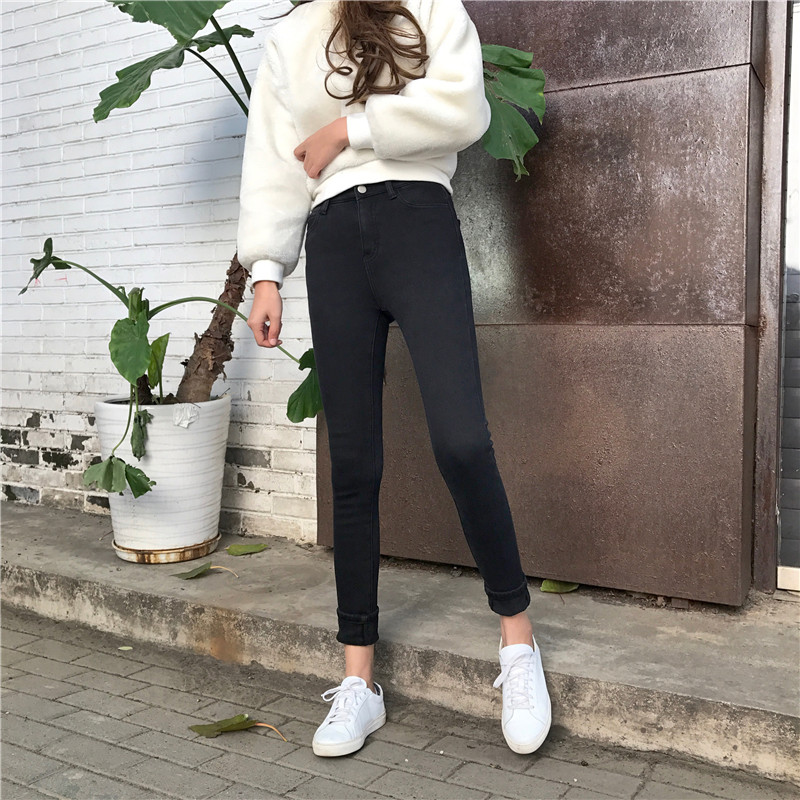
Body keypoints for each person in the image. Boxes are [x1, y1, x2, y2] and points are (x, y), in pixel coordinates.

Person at [236, 0, 551, 758]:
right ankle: (359, 682)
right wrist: (267, 270)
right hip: (333, 240)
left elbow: (464, 107)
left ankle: (518, 645)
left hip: (418, 219)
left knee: (462, 440)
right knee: (353, 463)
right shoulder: (290, 36)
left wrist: (351, 129)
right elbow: (274, 155)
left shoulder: (426, 4)